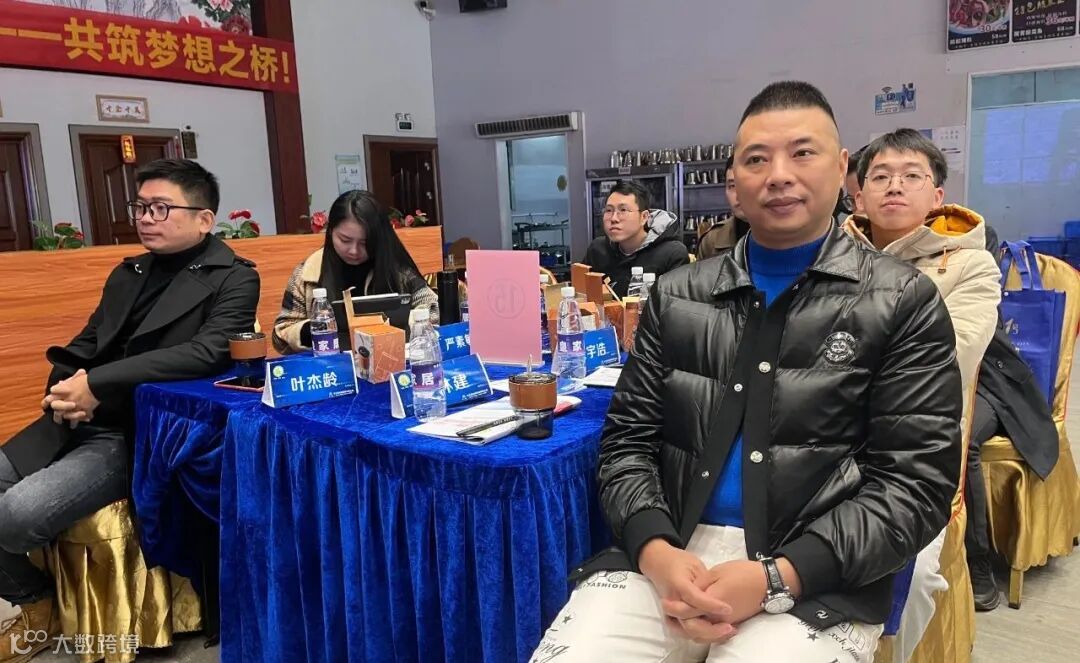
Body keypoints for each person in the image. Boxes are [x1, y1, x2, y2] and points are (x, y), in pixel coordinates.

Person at [530, 81, 962, 663]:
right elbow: (626, 442)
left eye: (802, 153)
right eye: (757, 159)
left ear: (842, 170)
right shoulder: (679, 294)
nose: (778, 175)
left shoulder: (902, 300)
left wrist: (779, 575)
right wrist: (655, 548)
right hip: (671, 552)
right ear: (734, 181)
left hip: (816, 568)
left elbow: (916, 483)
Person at [0, 159, 260, 661]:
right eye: (139, 207)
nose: (144, 218)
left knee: (16, 515)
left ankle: (40, 604)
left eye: (160, 208)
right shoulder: (129, 272)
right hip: (79, 417)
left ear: (204, 219)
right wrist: (63, 389)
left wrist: (97, 384)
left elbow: (207, 352)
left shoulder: (234, 278)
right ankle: (35, 600)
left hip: (139, 430)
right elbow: (87, 342)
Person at [843, 128, 999, 650]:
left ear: (937, 197)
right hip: (818, 441)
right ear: (858, 195)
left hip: (913, 453)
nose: (894, 186)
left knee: (909, 583)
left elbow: (947, 359)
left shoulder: (970, 265)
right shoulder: (827, 255)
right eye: (880, 176)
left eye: (912, 176)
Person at [272, 190, 437, 354]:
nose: (354, 251)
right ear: (330, 232)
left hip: (390, 360)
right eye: (344, 240)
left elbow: (434, 309)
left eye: (365, 243)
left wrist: (396, 325)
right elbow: (280, 338)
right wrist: (312, 330)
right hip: (330, 365)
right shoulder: (309, 273)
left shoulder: (396, 269)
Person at [582, 180, 688, 298]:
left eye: (623, 210)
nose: (614, 218)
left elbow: (676, 304)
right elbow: (581, 295)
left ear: (644, 217)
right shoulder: (597, 250)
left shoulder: (672, 253)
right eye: (609, 210)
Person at [696, 156, 750, 259]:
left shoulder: (782, 235)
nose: (739, 195)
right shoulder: (711, 240)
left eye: (747, 184)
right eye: (732, 186)